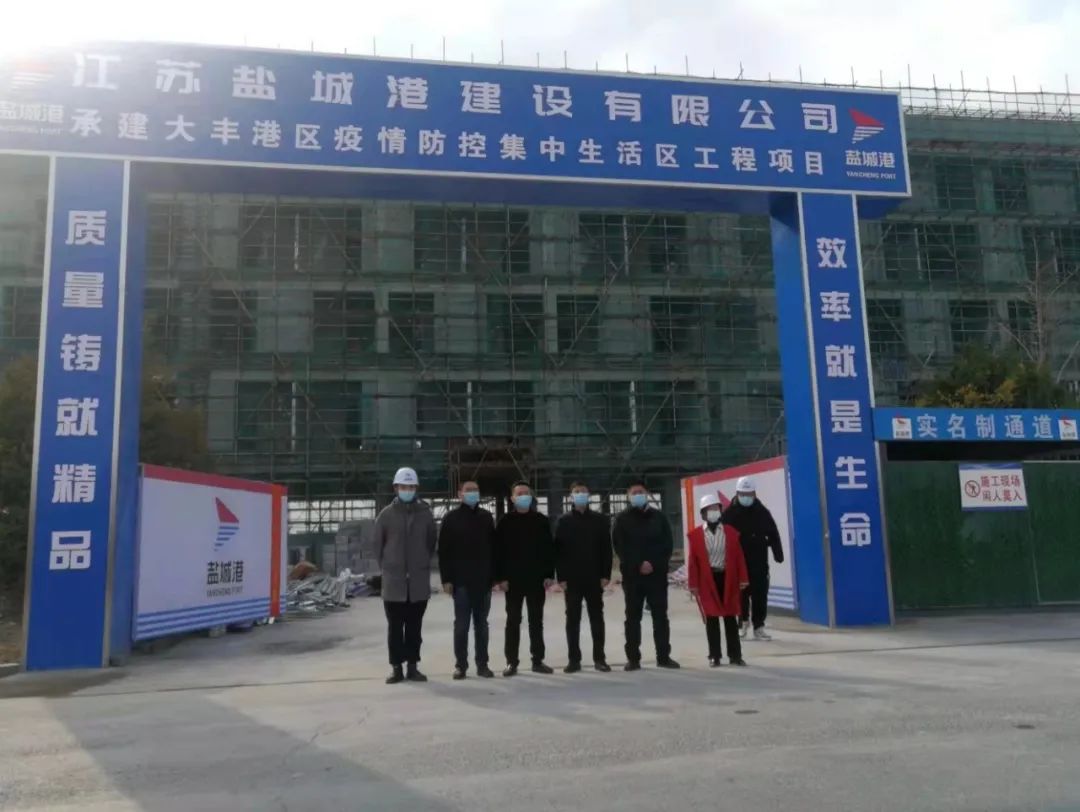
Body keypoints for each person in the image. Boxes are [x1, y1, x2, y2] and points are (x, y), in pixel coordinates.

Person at [375, 467, 437, 685]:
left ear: (416, 488)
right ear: (396, 488)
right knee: (394, 628)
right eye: (404, 486)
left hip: (418, 583)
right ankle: (396, 668)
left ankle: (412, 667)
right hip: (394, 583)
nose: (407, 490)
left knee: (414, 628)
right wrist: (390, 568)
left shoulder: (425, 514)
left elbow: (431, 542)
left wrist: (420, 562)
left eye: (411, 487)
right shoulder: (386, 515)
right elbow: (377, 546)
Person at [612, 479, 680, 670]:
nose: (638, 495)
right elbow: (620, 547)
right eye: (634, 493)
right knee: (632, 618)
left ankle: (663, 657)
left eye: (640, 492)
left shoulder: (659, 518)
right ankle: (633, 658)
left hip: (656, 576)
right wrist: (638, 564)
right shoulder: (621, 520)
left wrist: (653, 564)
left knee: (660, 617)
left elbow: (667, 545)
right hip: (633, 577)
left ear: (647, 494)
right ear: (628, 496)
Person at [494, 481, 556, 676]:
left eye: (526, 493)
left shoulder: (541, 520)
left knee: (536, 621)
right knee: (513, 621)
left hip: (536, 580)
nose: (523, 496)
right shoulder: (505, 522)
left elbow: (548, 549)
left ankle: (538, 660)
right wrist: (500, 578)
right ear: (512, 498)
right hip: (512, 581)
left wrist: (549, 574)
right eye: (519, 494)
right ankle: (511, 662)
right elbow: (498, 552)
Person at [438, 480, 497, 680]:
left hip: (483, 581)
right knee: (461, 625)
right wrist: (446, 579)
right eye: (468, 490)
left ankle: (483, 664)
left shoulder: (486, 517)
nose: (473, 493)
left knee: (482, 625)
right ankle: (461, 666)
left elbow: (493, 549)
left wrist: (494, 577)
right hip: (460, 581)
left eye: (476, 490)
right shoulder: (451, 518)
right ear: (460, 494)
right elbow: (444, 551)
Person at [554, 481, 613, 673]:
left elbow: (606, 549)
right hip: (572, 579)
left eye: (583, 491)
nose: (580, 494)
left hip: (594, 577)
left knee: (597, 618)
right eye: (576, 491)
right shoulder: (564, 521)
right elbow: (559, 551)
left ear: (589, 495)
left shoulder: (600, 520)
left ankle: (600, 658)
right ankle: (574, 660)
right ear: (571, 496)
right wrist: (561, 577)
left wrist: (605, 574)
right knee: (572, 620)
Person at [687, 494, 749, 667]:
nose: (713, 512)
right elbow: (693, 562)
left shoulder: (731, 533)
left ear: (721, 511)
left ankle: (735, 655)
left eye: (716, 509)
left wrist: (743, 578)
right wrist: (693, 584)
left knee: (730, 617)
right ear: (703, 514)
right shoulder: (696, 535)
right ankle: (714, 655)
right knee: (712, 618)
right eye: (709, 510)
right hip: (708, 580)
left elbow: (739, 557)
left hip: (728, 578)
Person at [721, 476, 784, 641]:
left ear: (754, 494)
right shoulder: (729, 514)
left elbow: (773, 532)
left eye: (749, 494)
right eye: (743, 494)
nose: (746, 497)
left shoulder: (762, 512)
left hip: (759, 560)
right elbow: (720, 537)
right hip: (738, 562)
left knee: (760, 594)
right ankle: (742, 623)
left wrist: (778, 553)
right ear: (737, 493)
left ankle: (759, 626)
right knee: (741, 594)